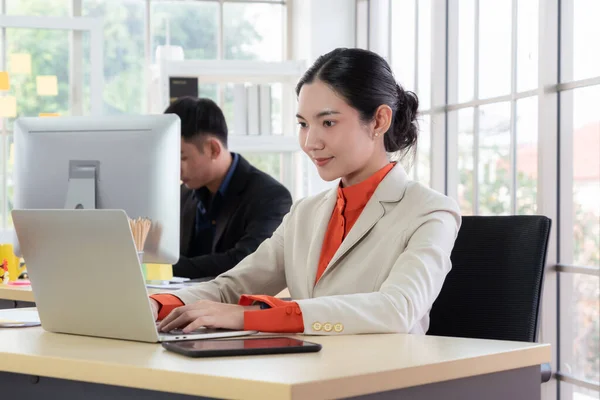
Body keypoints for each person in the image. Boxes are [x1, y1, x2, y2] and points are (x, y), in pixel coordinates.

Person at [150, 48, 461, 335]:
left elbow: (396, 310)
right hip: (303, 372)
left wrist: (248, 316)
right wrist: (158, 304)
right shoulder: (305, 213)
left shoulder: (430, 211)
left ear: (379, 120)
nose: (311, 142)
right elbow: (230, 286)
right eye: (303, 124)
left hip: (381, 382)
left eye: (327, 122)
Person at [165, 97, 292, 279]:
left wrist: (166, 268)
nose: (175, 168)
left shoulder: (271, 197)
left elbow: (247, 262)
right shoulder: (183, 195)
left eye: (182, 158)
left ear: (213, 149)